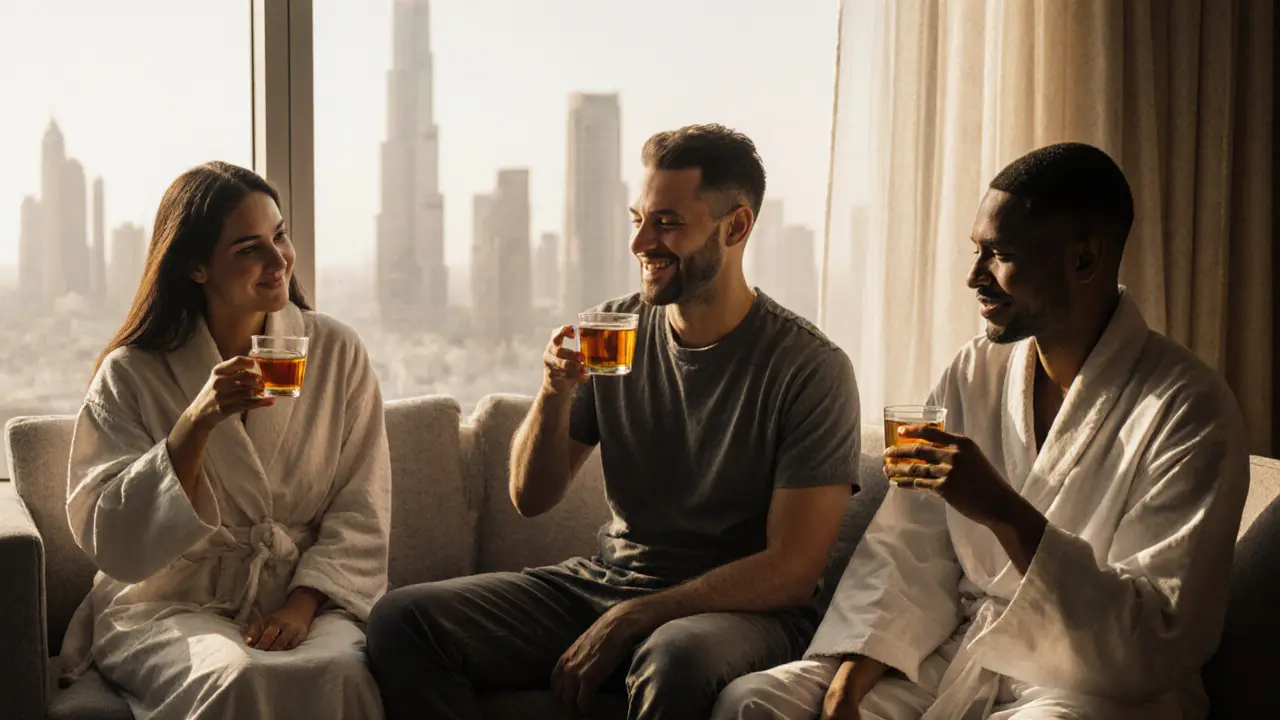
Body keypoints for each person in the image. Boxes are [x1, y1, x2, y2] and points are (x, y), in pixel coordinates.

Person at [714, 143, 1250, 720]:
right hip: (958, 654)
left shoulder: (1189, 410)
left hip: (1088, 690)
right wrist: (849, 680)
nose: (974, 276)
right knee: (754, 702)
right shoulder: (973, 372)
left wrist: (1001, 508)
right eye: (976, 250)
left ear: (1085, 259)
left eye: (1000, 255)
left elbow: (1153, 637)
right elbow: (907, 549)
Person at [366, 124, 862, 720]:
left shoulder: (811, 368)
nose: (640, 243)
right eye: (638, 219)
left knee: (674, 657)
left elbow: (793, 571)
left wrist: (637, 616)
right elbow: (530, 497)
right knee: (403, 621)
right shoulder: (612, 330)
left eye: (667, 223)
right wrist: (554, 391)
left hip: (743, 614)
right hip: (610, 582)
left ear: (735, 227)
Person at [62, 162, 391, 720]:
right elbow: (112, 539)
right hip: (169, 603)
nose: (278, 260)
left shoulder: (336, 352)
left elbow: (363, 511)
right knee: (236, 675)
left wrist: (300, 607)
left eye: (279, 236)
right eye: (248, 248)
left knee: (341, 673)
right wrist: (195, 422)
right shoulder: (132, 373)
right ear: (195, 266)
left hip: (306, 596)